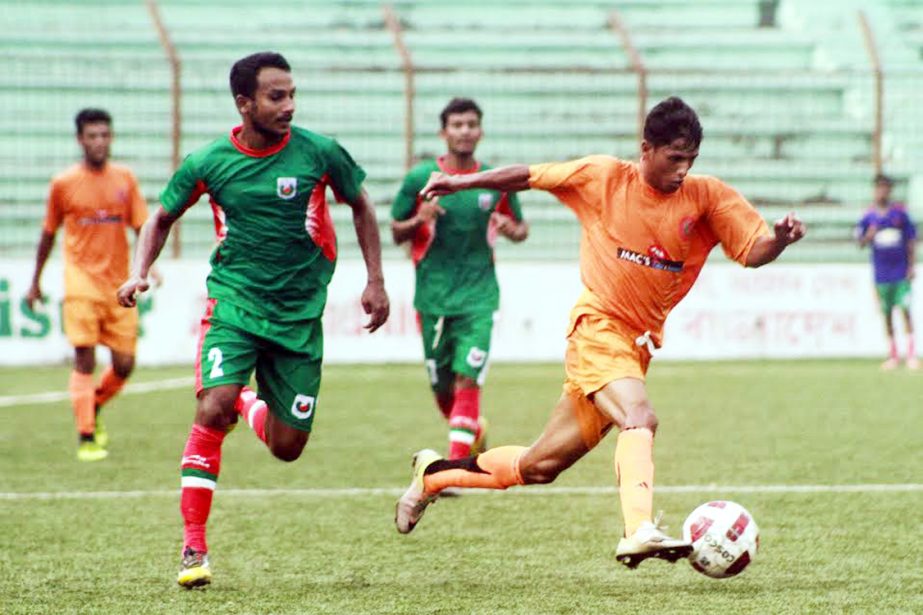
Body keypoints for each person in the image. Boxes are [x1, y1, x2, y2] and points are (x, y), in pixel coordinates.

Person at [394, 96, 806, 569]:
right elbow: (527, 176)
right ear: (646, 149)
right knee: (640, 417)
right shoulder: (603, 177)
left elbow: (752, 251)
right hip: (597, 330)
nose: (682, 170)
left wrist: (779, 239)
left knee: (538, 466)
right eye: (674, 158)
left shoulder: (706, 196)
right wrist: (460, 181)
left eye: (690, 159)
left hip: (635, 350)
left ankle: (433, 476)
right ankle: (639, 530)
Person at [117, 51, 390, 589]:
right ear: (244, 103)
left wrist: (375, 279)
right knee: (211, 407)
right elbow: (161, 216)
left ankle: (245, 398)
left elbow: (360, 203)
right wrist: (138, 271)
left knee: (288, 447)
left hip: (299, 314)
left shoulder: (319, 152)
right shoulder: (209, 162)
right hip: (236, 303)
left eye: (291, 94)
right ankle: (194, 547)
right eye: (275, 96)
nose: (288, 105)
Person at [391, 98, 528, 460]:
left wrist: (510, 229)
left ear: (480, 131)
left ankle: (454, 465)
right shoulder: (421, 179)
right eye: (457, 124)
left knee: (469, 378)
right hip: (433, 296)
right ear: (443, 132)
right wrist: (419, 219)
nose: (464, 131)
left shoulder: (496, 181)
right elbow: (395, 231)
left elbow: (520, 227)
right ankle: (474, 430)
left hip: (479, 297)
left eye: (471, 124)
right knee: (444, 391)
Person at [26, 108, 150, 463]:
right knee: (85, 357)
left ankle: (91, 405)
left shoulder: (125, 179)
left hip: (119, 285)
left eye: (105, 135)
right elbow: (48, 234)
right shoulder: (63, 183)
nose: (100, 142)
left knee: (125, 364)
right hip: (80, 283)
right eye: (92, 135)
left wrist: (147, 266)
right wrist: (35, 281)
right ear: (80, 139)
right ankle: (86, 436)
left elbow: (143, 226)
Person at [857, 173, 918, 370]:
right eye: (878, 188)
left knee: (905, 310)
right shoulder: (868, 216)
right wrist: (869, 235)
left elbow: (911, 240)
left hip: (901, 272)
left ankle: (911, 355)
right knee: (887, 314)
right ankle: (893, 355)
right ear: (874, 191)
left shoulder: (900, 214)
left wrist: (911, 266)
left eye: (885, 188)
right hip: (881, 275)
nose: (882, 191)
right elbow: (860, 242)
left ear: (889, 190)